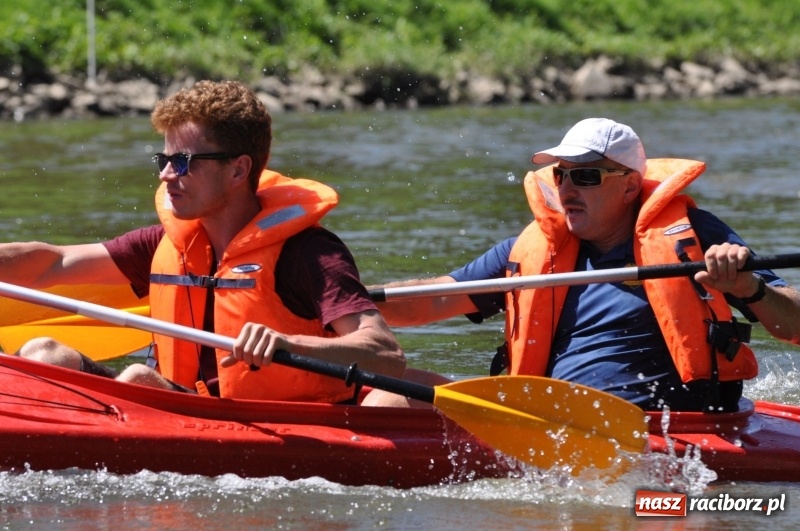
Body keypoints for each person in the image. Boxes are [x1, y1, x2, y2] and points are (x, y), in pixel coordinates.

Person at [3, 80, 405, 405]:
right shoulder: (164, 244)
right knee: (44, 352)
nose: (165, 176)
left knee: (140, 378)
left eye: (182, 162)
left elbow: (385, 353)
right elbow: (51, 264)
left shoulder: (309, 254)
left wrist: (288, 343)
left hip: (276, 424)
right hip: (176, 405)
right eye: (163, 161)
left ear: (238, 170)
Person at [374, 118, 800, 412]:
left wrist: (749, 288)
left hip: (652, 422)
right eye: (561, 175)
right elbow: (429, 301)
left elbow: (794, 324)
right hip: (543, 419)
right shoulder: (528, 251)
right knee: (385, 396)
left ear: (631, 185)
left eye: (587, 177)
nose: (568, 189)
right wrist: (342, 307)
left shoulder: (695, 236)